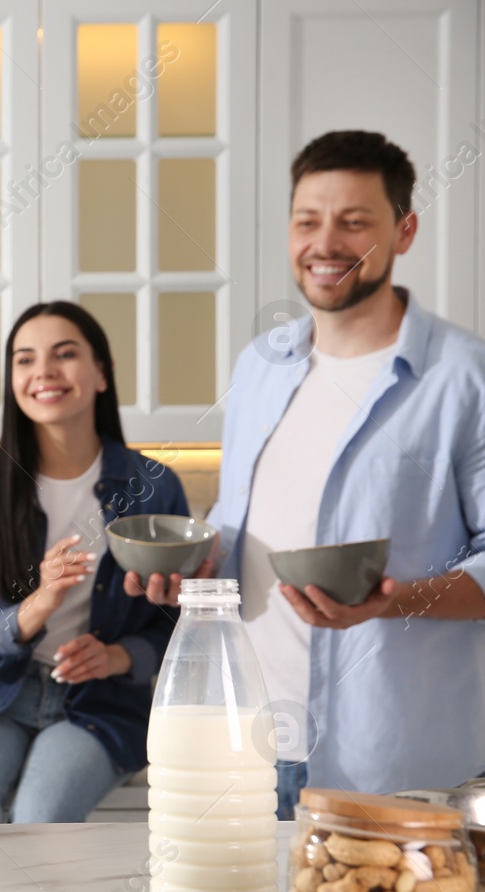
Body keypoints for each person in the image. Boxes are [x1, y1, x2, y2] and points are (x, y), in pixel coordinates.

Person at [128, 130, 485, 811]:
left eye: (355, 222)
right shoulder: (261, 364)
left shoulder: (466, 379)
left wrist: (394, 600)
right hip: (252, 743)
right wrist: (193, 573)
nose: (327, 244)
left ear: (404, 230)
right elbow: (238, 527)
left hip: (392, 760)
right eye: (308, 221)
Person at [0, 302, 188, 822]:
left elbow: (177, 625)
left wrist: (121, 657)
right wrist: (39, 603)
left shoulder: (155, 488)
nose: (43, 371)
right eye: (25, 360)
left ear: (101, 374)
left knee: (38, 820)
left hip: (99, 703)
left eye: (64, 354)